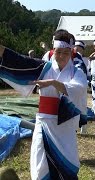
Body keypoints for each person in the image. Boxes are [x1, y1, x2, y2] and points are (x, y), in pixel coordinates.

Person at [0, 30, 87, 179]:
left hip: (64, 126)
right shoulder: (43, 68)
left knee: (66, 163)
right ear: (53, 51)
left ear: (71, 52)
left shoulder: (76, 72)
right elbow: (18, 60)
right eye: (58, 52)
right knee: (40, 162)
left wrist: (53, 83)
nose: (61, 56)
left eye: (65, 53)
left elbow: (79, 88)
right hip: (44, 122)